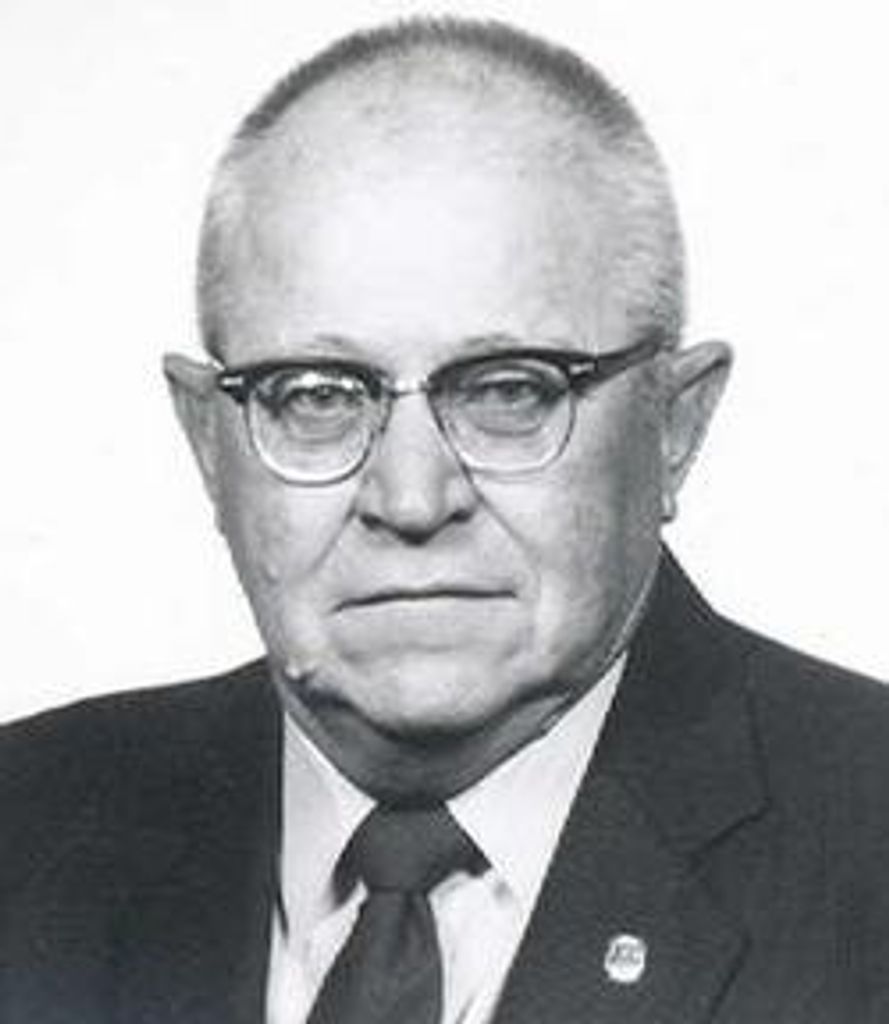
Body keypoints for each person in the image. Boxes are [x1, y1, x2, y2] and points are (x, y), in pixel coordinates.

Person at [1, 16, 888, 1024]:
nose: (412, 500)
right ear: (208, 441)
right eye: (316, 396)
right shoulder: (24, 837)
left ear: (674, 424)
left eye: (510, 390)